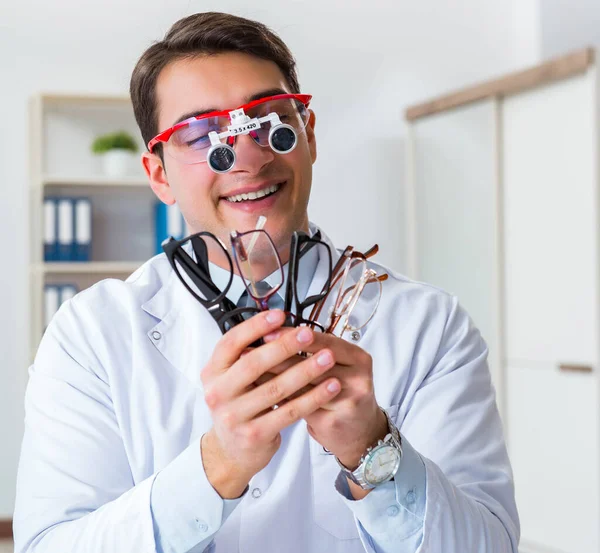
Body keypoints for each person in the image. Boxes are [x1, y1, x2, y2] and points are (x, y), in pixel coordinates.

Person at [13, 11, 519, 553]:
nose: (249, 156)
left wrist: (375, 453)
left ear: (308, 136)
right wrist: (216, 467)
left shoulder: (428, 326)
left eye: (270, 119)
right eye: (201, 133)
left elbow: (488, 545)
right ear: (159, 174)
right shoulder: (91, 335)